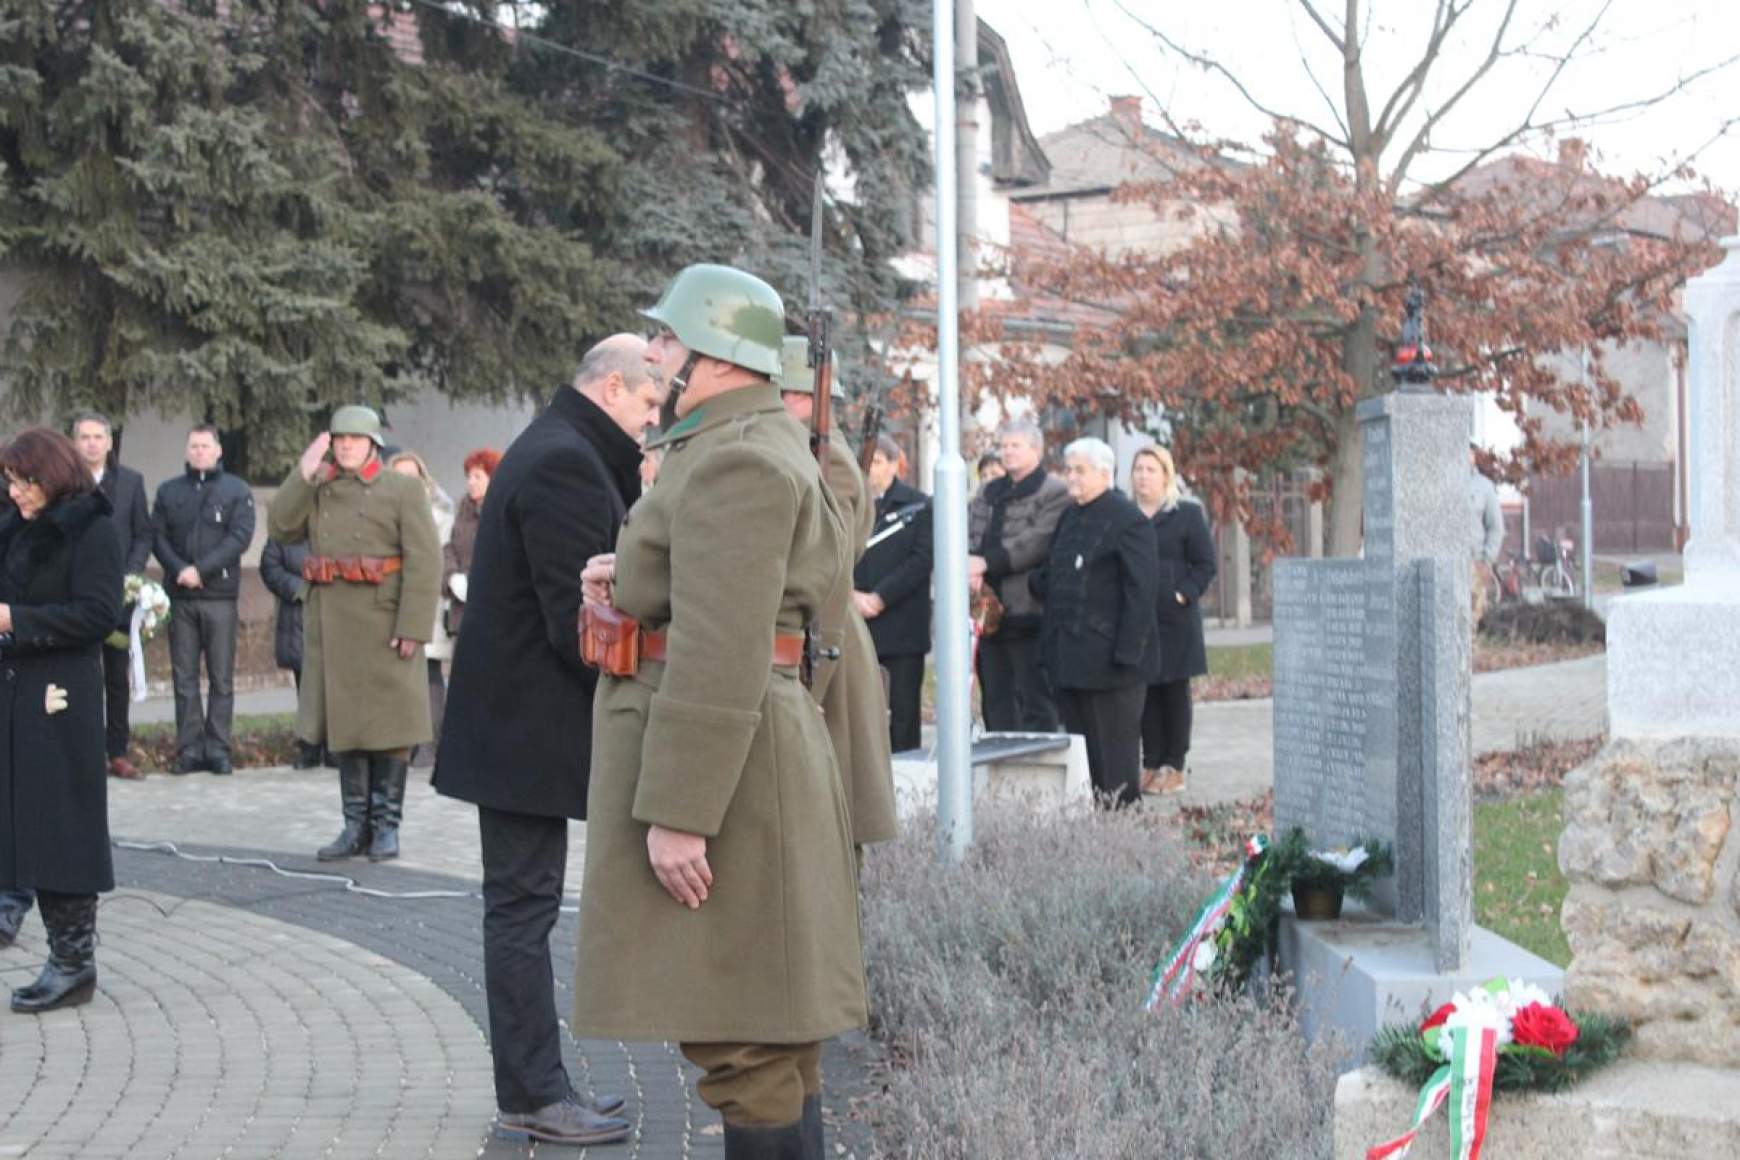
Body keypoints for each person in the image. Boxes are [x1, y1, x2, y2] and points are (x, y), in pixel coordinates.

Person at [573, 264, 866, 1160]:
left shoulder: (738, 455)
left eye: (667, 339)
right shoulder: (736, 442)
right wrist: (625, 577)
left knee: (748, 1042)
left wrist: (678, 815)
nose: (654, 354)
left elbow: (723, 643)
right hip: (752, 754)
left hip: (729, 771)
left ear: (717, 356)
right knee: (769, 1033)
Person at [433, 335, 661, 1147]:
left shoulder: (560, 445)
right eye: (647, 403)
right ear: (610, 387)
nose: (652, 418)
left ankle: (537, 1086)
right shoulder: (567, 460)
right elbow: (581, 624)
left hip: (516, 729)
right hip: (523, 733)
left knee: (521, 909)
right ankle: (532, 1092)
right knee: (522, 911)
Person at [269, 407, 441, 863]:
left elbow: (425, 561)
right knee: (345, 727)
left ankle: (387, 826)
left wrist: (412, 626)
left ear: (373, 444)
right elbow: (281, 527)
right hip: (334, 625)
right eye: (339, 438)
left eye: (355, 439)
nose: (345, 446)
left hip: (385, 623)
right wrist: (303, 475)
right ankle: (354, 826)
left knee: (390, 728)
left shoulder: (401, 488)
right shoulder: (320, 487)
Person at [0, 428, 123, 1011]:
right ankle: (60, 954)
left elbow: (98, 613)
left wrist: (13, 621)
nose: (15, 492)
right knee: (29, 818)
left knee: (63, 824)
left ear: (50, 476)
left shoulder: (93, 528)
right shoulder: (17, 527)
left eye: (23, 481)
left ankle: (75, 962)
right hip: (17, 688)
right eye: (9, 481)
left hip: (62, 694)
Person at [773, 335, 898, 853]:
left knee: (829, 828)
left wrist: (814, 683)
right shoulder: (811, 450)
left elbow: (829, 568)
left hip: (825, 643)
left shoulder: (830, 461)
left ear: (800, 397)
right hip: (821, 637)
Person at [1032, 437, 1160, 807]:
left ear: (1104, 473)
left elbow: (1141, 591)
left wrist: (1126, 654)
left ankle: (1121, 837)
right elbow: (1059, 570)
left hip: (1112, 665)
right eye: (1068, 469)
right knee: (1084, 758)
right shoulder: (1071, 516)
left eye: (1079, 470)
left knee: (1115, 761)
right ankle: (1094, 839)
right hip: (1071, 660)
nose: (1070, 477)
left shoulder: (1128, 520)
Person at [152, 424, 255, 774]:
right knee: (184, 678)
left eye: (205, 445)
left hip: (219, 597)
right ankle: (189, 750)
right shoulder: (169, 492)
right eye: (193, 446)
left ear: (218, 450)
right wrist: (181, 569)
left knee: (221, 678)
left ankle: (218, 749)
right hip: (180, 597)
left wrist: (202, 570)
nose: (199, 451)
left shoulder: (236, 490)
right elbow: (158, 537)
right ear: (186, 451)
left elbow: (239, 538)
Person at [967, 418, 1070, 732]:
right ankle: (1001, 765)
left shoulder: (1053, 491)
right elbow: (971, 530)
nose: (1007, 452)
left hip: (1029, 608)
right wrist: (968, 565)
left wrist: (985, 563)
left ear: (1036, 450)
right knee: (995, 699)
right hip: (986, 610)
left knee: (1035, 698)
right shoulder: (988, 491)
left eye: (1016, 446)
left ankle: (1038, 770)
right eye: (1004, 446)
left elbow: (1036, 541)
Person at [1130, 445, 1216, 796]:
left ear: (1165, 474)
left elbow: (1205, 565)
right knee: (1145, 693)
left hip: (1175, 621)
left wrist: (1182, 593)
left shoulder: (1186, 514)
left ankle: (1174, 765)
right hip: (1138, 621)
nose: (1143, 475)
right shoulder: (1127, 515)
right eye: (1138, 469)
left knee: (1174, 694)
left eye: (1151, 469)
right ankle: (1151, 763)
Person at [71, 413, 151, 780]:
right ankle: (85, 752)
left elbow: (142, 536)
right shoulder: (66, 483)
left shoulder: (131, 482)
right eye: (84, 437)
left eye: (97, 437)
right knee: (80, 675)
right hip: (76, 596)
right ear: (74, 443)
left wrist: (130, 576)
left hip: (119, 595)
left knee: (117, 676)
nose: (91, 443)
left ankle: (117, 751)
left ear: (109, 442)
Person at [854, 434, 933, 753]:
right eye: (867, 462)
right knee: (861, 712)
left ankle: (907, 782)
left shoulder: (917, 505)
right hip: (858, 620)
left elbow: (921, 559)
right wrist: (851, 594)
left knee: (902, 715)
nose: (870, 470)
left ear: (893, 465)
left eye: (877, 462)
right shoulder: (851, 503)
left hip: (901, 625)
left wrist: (879, 597)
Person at [387, 451, 455, 769]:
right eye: (399, 476)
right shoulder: (382, 512)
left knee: (428, 675)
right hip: (387, 607)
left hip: (427, 603)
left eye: (412, 476)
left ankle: (428, 745)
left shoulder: (440, 517)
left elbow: (436, 562)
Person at [259, 535, 321, 769]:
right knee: (305, 686)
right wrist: (301, 589)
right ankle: (309, 746)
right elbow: (270, 566)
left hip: (335, 615)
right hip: (298, 617)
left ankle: (338, 748)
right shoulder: (288, 527)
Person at [442, 448, 499, 641]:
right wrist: (452, 577)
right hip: (461, 608)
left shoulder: (502, 512)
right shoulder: (462, 511)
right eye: (469, 477)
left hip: (492, 607)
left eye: (478, 477)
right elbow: (450, 547)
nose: (471, 482)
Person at [1470, 443, 1504, 627]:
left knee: (1473, 621)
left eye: (1468, 451)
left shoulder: (1483, 487)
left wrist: (1486, 561)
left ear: (1473, 456)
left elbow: (1495, 528)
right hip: (1445, 564)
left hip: (1473, 563)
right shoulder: (1441, 481)